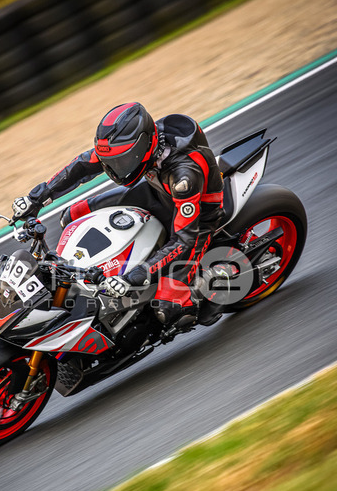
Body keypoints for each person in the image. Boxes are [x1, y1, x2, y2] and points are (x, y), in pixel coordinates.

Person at [13, 102, 225, 327]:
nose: (115, 168)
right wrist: (36, 198)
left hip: (199, 216)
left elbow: (184, 240)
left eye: (122, 161)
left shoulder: (184, 176)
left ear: (143, 147)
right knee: (72, 215)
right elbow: (83, 165)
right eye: (111, 162)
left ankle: (214, 285)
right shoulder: (134, 148)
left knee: (169, 310)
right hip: (158, 192)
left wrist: (132, 278)